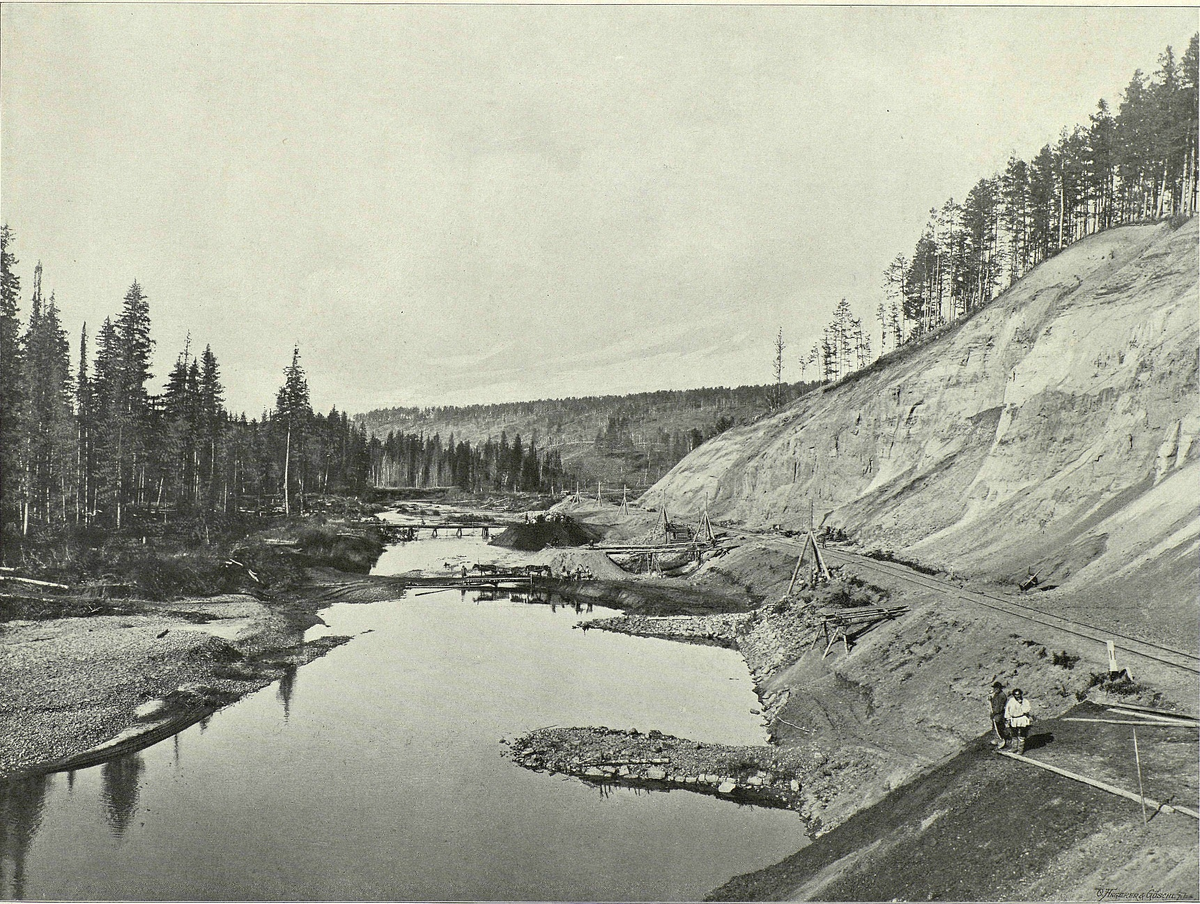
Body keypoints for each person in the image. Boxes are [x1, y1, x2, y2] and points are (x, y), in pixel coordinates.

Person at [1004, 687, 1033, 754]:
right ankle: (1014, 748)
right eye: (1016, 695)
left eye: (1019, 694)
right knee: (1014, 734)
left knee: (1022, 734)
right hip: (1014, 719)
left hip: (1022, 718)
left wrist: (1021, 704)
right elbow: (1007, 710)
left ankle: (1020, 749)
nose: (1017, 696)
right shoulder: (1011, 701)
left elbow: (1027, 710)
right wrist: (1008, 718)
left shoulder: (1025, 701)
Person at [989, 682, 1009, 749]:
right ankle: (997, 739)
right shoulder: (996, 695)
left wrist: (994, 713)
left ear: (1000, 688)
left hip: (999, 714)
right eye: (995, 688)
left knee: (999, 727)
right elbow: (994, 704)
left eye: (997, 688)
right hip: (995, 714)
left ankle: (1002, 740)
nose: (995, 689)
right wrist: (991, 700)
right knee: (995, 727)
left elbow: (999, 707)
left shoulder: (1002, 696)